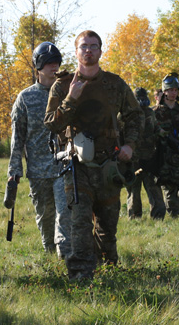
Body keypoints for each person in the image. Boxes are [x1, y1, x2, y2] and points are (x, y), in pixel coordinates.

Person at [44, 30, 143, 280]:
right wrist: (71, 98)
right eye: (83, 46)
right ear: (76, 51)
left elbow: (135, 115)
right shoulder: (63, 84)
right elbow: (51, 123)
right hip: (77, 167)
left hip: (109, 164)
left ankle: (109, 271)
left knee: (108, 227)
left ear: (100, 50)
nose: (88, 50)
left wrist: (130, 145)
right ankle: (80, 275)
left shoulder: (114, 84)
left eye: (93, 46)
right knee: (79, 223)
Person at [6, 42, 71, 259]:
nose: (54, 67)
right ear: (38, 66)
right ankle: (50, 255)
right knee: (45, 217)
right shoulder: (25, 98)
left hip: (65, 165)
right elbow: (18, 138)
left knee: (65, 214)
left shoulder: (68, 92)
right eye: (49, 63)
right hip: (38, 169)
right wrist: (14, 170)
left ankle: (65, 255)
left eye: (56, 63)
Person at [153, 74, 179, 217]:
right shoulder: (155, 112)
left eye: (176, 90)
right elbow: (150, 132)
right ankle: (173, 216)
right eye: (170, 90)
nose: (173, 93)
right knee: (169, 188)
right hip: (166, 157)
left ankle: (174, 207)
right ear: (164, 91)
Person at [126, 87, 165, 220]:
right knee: (133, 190)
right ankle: (135, 217)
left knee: (153, 188)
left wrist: (162, 134)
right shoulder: (127, 114)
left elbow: (156, 127)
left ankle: (158, 216)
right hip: (133, 158)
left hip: (149, 157)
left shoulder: (150, 113)